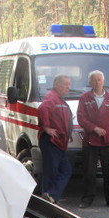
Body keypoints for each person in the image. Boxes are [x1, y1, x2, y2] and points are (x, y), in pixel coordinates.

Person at [77, 70, 109, 209]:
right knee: (89, 172)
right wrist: (94, 128)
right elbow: (81, 118)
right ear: (90, 82)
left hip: (108, 141)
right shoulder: (84, 98)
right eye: (94, 80)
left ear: (103, 81)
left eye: (99, 80)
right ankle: (87, 199)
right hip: (90, 140)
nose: (97, 82)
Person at [37, 74, 73, 204]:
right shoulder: (52, 98)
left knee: (64, 170)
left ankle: (48, 196)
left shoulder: (59, 99)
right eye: (65, 84)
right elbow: (42, 108)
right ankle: (49, 199)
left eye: (69, 85)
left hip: (59, 142)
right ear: (57, 84)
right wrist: (46, 128)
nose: (68, 87)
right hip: (51, 141)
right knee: (52, 172)